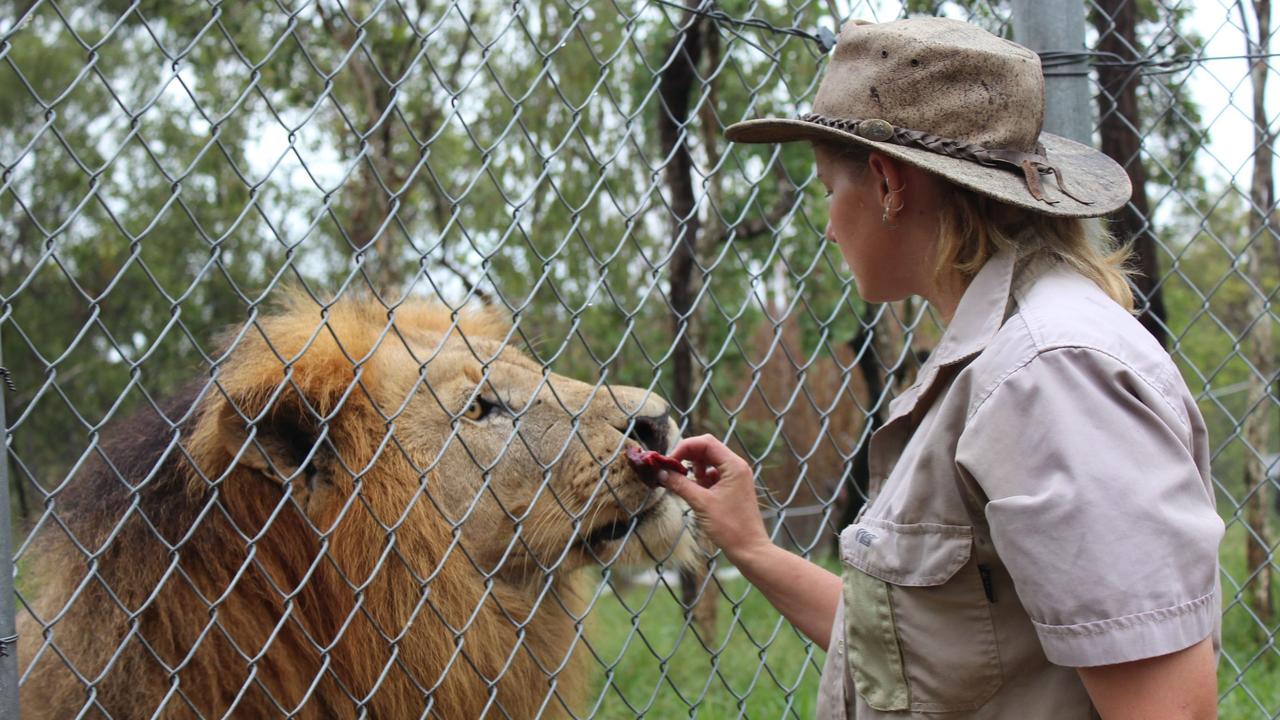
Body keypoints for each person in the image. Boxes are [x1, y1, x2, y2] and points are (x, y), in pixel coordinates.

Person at [657, 16, 1223, 720]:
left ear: (888, 183)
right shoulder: (1001, 360)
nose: (829, 226)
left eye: (828, 191)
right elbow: (929, 663)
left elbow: (1167, 710)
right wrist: (751, 546)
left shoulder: (1049, 373)